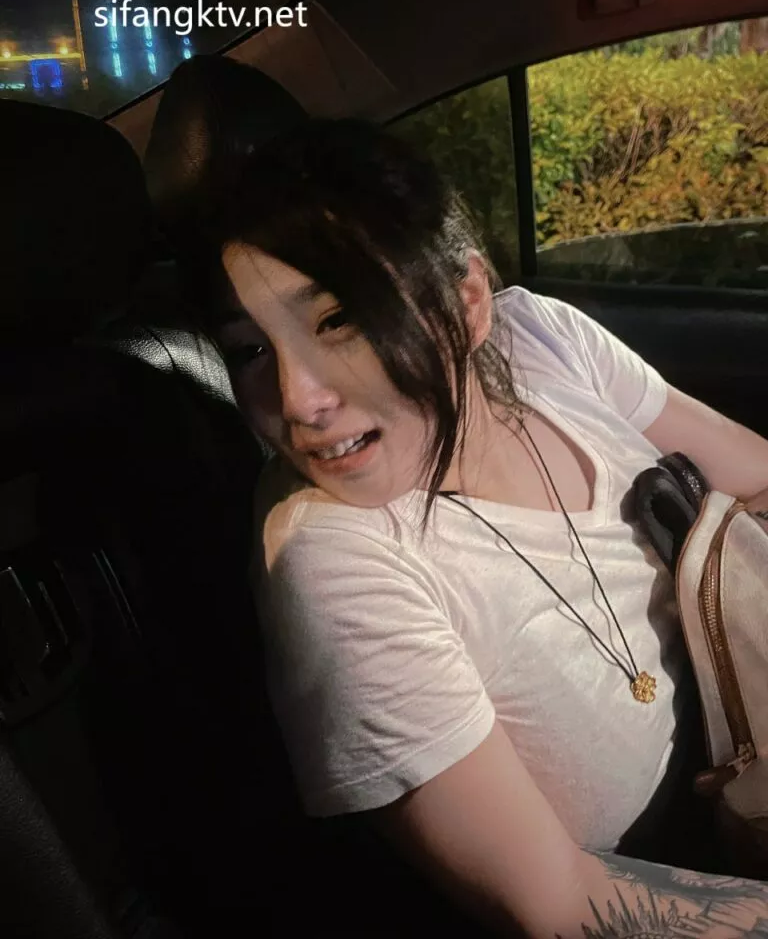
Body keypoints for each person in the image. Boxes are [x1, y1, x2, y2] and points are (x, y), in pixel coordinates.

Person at [183, 118, 768, 937]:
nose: (297, 401)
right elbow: (558, 903)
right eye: (249, 352)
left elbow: (758, 478)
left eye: (340, 319)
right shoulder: (333, 560)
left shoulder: (542, 342)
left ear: (465, 303)